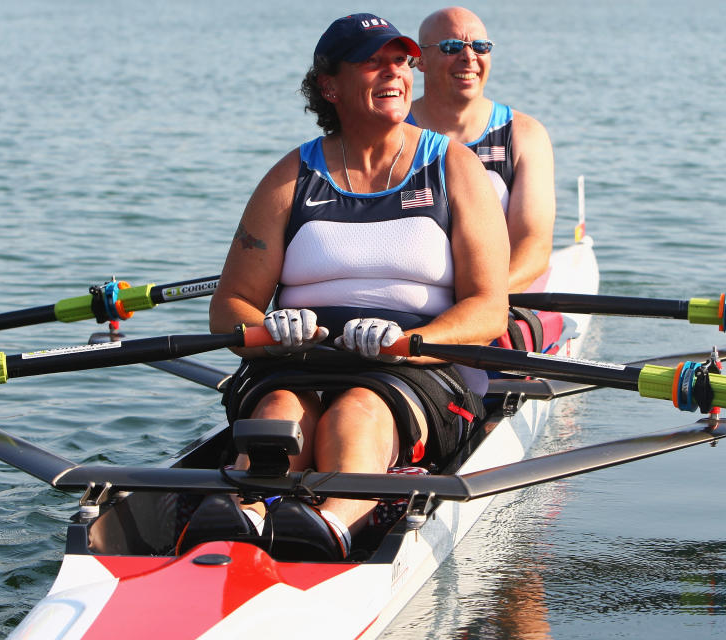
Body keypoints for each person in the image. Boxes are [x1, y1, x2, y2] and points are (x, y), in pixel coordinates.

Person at [186, 13, 510, 562]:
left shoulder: (453, 167)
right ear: (329, 86)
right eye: (372, 62)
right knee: (281, 408)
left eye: (401, 61)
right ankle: (248, 511)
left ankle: (331, 524)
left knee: (356, 409)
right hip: (296, 359)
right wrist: (266, 329)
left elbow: (488, 308)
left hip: (415, 367)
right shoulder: (291, 176)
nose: (395, 73)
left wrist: (410, 342)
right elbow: (228, 309)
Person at [408, 7, 555, 294]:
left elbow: (533, 246)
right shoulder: (391, 132)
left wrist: (479, 301)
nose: (469, 57)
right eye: (451, 47)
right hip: (410, 299)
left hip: (494, 296)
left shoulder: (525, 135)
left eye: (480, 47)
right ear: (420, 61)